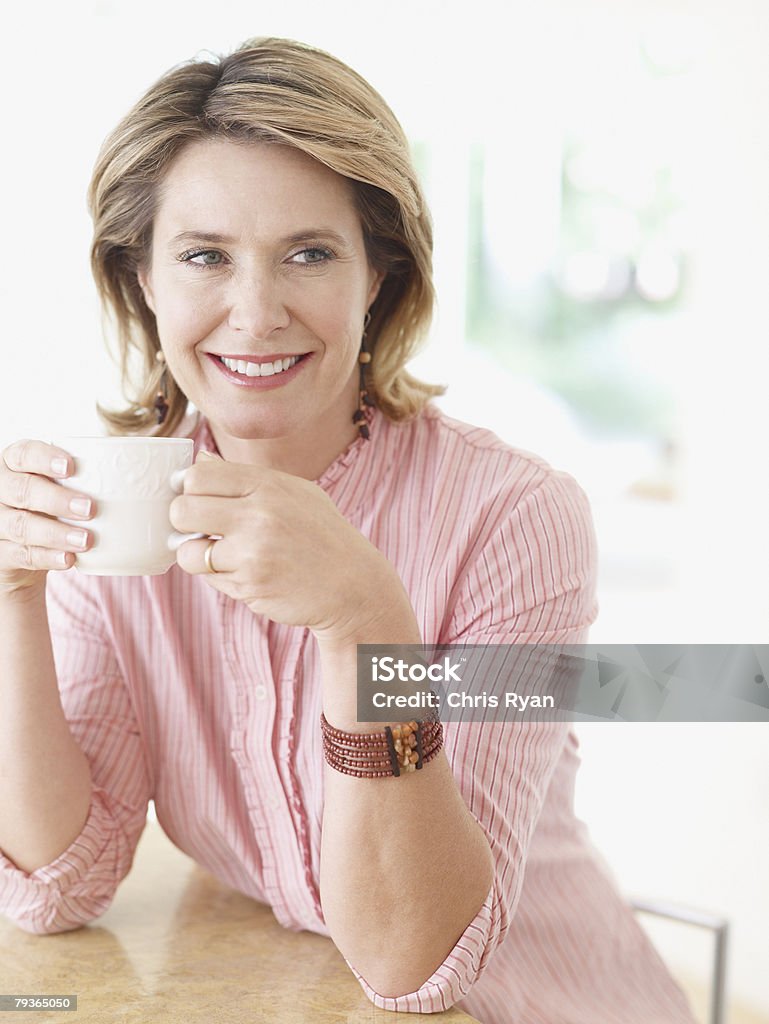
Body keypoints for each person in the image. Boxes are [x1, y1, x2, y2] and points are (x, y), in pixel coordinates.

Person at [0, 37, 696, 1023]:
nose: (255, 312)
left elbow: (415, 964)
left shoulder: (511, 514)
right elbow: (55, 884)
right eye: (204, 256)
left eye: (310, 254)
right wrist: (12, 599)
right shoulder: (121, 507)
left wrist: (364, 621)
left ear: (377, 274)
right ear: (143, 279)